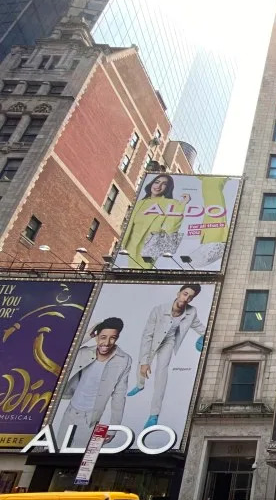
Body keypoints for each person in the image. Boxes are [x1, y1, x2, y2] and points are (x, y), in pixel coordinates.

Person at [127, 284, 206, 429]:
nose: (186, 298)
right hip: (153, 339)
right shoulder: (159, 309)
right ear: (178, 293)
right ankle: (140, 385)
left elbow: (199, 327)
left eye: (190, 297)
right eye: (185, 294)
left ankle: (153, 415)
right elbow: (147, 335)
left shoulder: (191, 312)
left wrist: (205, 337)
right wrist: (145, 361)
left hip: (168, 342)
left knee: (161, 373)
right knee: (143, 365)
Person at [58, 317, 132, 447]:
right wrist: (87, 336)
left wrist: (114, 428)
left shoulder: (123, 360)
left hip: (91, 419)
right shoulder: (83, 352)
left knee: (80, 460)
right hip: (70, 412)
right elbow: (62, 351)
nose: (107, 342)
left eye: (112, 338)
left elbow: (119, 396)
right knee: (55, 453)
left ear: (117, 337)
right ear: (96, 336)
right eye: (103, 337)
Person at [121, 174, 191, 270]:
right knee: (126, 272)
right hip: (129, 247)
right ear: (151, 183)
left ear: (168, 188)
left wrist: (182, 204)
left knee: (142, 274)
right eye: (157, 182)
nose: (158, 186)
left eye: (164, 184)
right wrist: (122, 244)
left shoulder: (172, 203)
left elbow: (171, 228)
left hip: (150, 247)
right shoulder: (140, 203)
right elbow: (129, 226)